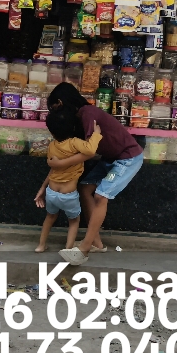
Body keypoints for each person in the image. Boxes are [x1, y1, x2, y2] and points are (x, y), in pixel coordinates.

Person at [46, 82, 143, 264]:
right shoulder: (79, 118)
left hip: (127, 159)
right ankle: (97, 244)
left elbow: (89, 151)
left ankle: (84, 248)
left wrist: (60, 164)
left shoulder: (88, 114)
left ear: (60, 102)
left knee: (101, 196)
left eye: (55, 108)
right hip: (110, 158)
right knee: (85, 189)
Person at [33, 108, 103, 253]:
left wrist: (42, 189)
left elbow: (53, 169)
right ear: (73, 128)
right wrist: (96, 134)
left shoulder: (52, 146)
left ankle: (41, 245)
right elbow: (90, 150)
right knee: (74, 221)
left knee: (50, 217)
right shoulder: (74, 143)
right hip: (68, 195)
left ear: (52, 132)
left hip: (51, 192)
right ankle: (68, 248)